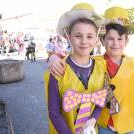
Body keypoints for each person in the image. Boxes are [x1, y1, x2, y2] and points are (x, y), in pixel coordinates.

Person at [47, 6, 134, 134]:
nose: (115, 43)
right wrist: (53, 57)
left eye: (120, 38)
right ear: (101, 40)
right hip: (102, 124)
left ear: (126, 41)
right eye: (110, 38)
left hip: (128, 124)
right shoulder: (98, 63)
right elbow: (77, 58)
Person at [44, 3, 109, 134]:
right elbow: (54, 113)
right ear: (69, 37)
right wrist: (52, 57)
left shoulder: (102, 66)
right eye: (78, 36)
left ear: (97, 38)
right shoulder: (58, 70)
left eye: (90, 36)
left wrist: (93, 120)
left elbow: (101, 98)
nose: (84, 41)